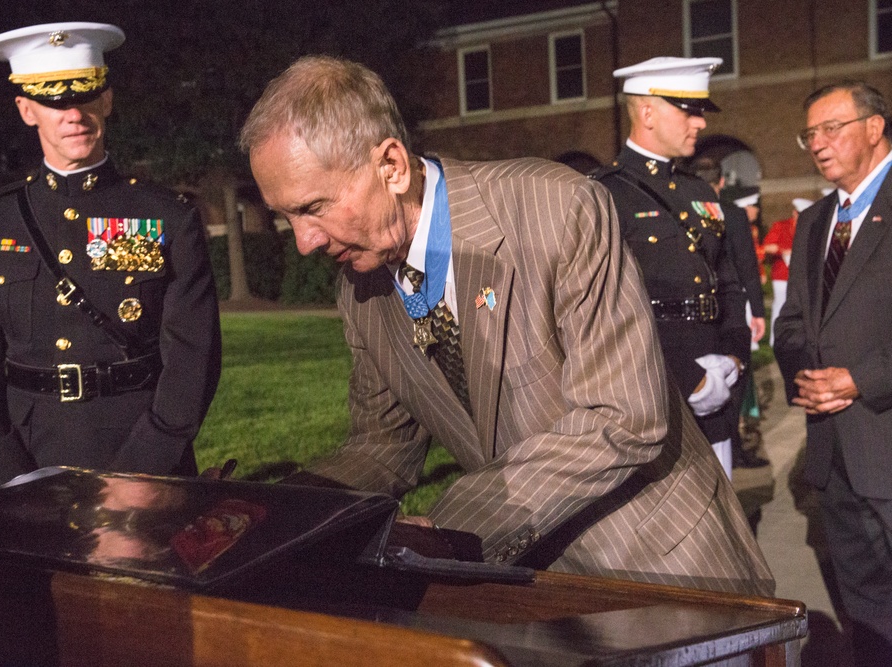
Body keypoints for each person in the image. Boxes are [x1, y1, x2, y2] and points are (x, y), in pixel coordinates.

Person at [239, 55, 773, 596]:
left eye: (313, 207)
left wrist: (450, 530)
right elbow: (381, 447)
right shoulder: (360, 287)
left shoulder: (557, 207)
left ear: (393, 166)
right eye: (288, 217)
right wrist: (267, 513)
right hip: (539, 590)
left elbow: (623, 417)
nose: (304, 241)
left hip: (665, 568)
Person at [0, 23, 222, 490]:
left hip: (143, 450)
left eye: (86, 95)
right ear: (26, 110)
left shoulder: (166, 216)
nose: (73, 113)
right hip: (30, 454)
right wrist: (12, 476)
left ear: (107, 101)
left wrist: (140, 470)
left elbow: (194, 358)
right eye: (54, 100)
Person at [774, 81, 892, 665]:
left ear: (874, 127)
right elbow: (792, 320)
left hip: (884, 430)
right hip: (832, 450)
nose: (818, 145)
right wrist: (806, 377)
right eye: (810, 134)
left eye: (832, 129)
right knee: (864, 603)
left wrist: (862, 380)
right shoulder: (818, 218)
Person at [593, 57, 751, 480]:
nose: (699, 123)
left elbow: (729, 283)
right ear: (647, 111)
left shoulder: (701, 192)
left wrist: (736, 359)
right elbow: (608, 310)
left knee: (721, 527)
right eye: (688, 110)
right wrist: (686, 376)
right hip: (652, 394)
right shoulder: (603, 194)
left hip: (718, 387)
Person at [689, 159, 770, 470]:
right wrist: (758, 313)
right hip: (732, 310)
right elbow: (749, 269)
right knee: (734, 382)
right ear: (720, 182)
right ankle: (732, 449)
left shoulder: (680, 210)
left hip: (695, 315)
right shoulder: (732, 213)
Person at [762, 197, 812, 346]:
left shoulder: (810, 227)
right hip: (782, 273)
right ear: (794, 213)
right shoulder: (781, 225)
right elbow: (767, 246)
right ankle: (775, 339)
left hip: (802, 275)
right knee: (780, 304)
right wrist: (783, 251)